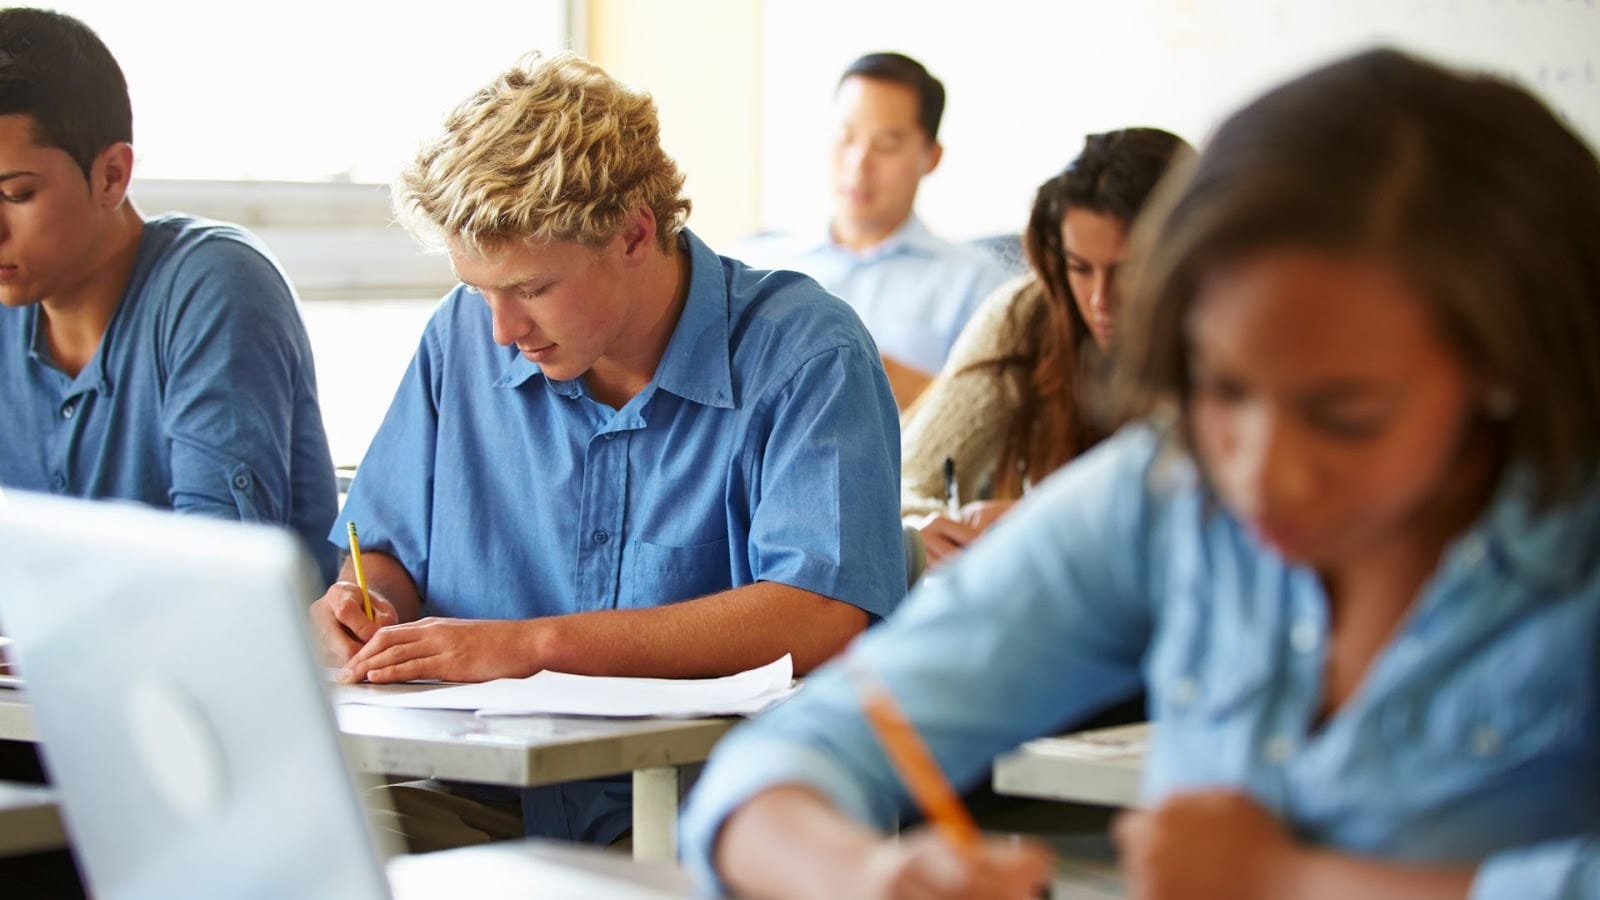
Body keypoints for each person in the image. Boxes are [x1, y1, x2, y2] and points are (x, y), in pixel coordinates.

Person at [681, 47, 1600, 900]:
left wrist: (1294, 880)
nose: (1261, 473)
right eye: (1222, 390)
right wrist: (868, 876)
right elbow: (781, 764)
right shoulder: (1165, 495)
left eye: (1344, 415)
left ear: (1507, 370)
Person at [310, 51, 905, 847]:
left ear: (634, 233)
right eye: (480, 289)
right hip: (485, 800)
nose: (501, 330)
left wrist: (532, 648)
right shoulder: (461, 340)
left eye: (531, 289)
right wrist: (365, 603)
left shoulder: (806, 356)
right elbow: (384, 552)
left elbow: (821, 614)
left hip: (712, 815)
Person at [0, 8, 339, 583]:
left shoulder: (214, 288)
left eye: (17, 193)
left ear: (111, 175)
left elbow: (221, 584)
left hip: (219, 668)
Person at [903, 128, 1191, 575]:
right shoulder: (1025, 315)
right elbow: (905, 481)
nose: (1100, 299)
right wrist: (927, 526)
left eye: (1128, 271)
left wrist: (1041, 523)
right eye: (1080, 268)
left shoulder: (1232, 344)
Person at [734, 52, 1010, 408]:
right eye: (845, 137)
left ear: (931, 156)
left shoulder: (978, 285)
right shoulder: (752, 264)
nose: (858, 164)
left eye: (886, 144)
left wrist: (871, 371)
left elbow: (999, 421)